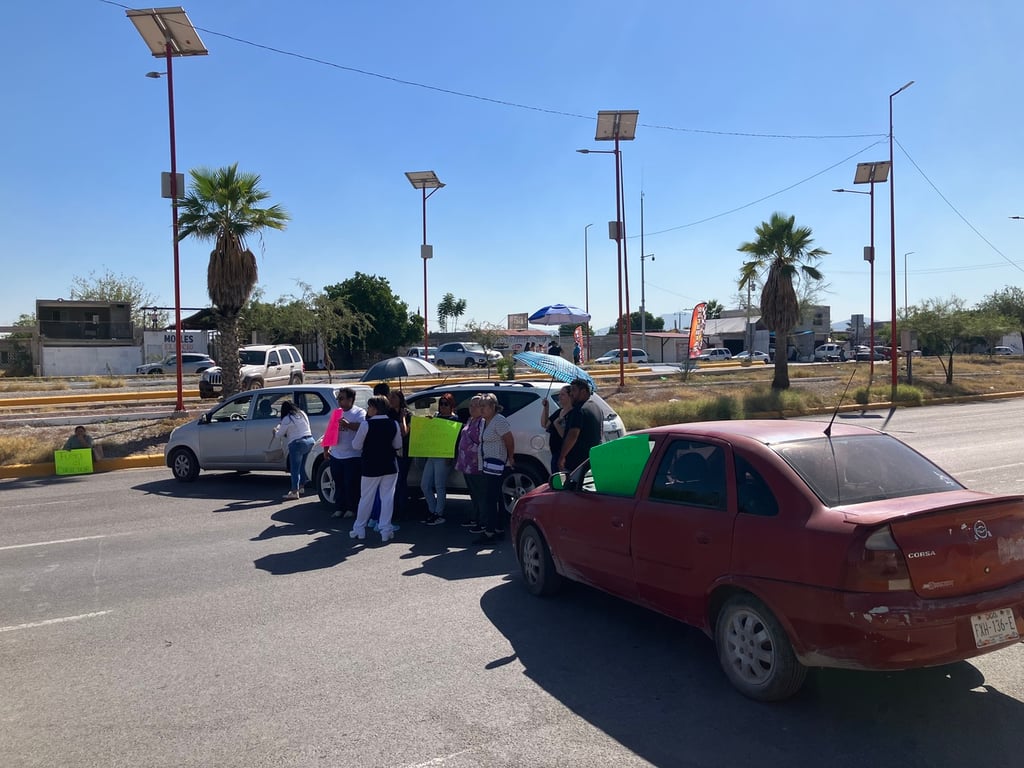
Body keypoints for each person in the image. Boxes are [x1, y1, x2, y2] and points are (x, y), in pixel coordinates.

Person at [350, 395, 403, 543]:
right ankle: (385, 529)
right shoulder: (394, 423)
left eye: (370, 407)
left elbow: (356, 445)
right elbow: (397, 444)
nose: (368, 410)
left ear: (375, 409)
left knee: (366, 498)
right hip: (390, 465)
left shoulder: (366, 425)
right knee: (387, 498)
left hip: (371, 465)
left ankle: (359, 528)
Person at [474, 393, 515, 546]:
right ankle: (498, 529)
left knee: (490, 499)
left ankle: (489, 532)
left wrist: (511, 458)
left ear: (493, 407)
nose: (481, 409)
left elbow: (509, 440)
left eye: (484, 406)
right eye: (480, 406)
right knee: (496, 497)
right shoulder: (485, 421)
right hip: (488, 464)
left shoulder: (499, 420)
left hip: (496, 465)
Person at [321, 387, 366, 519]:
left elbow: (363, 427)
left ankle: (352, 509)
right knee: (338, 483)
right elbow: (329, 431)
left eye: (341, 398)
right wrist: (326, 449)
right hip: (336, 454)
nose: (339, 401)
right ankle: (340, 508)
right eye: (338, 398)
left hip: (352, 455)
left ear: (350, 400)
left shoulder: (359, 412)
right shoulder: (336, 413)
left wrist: (348, 425)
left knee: (351, 483)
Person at [421, 393, 459, 525]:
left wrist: (451, 456)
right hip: (432, 454)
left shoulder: (455, 420)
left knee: (439, 485)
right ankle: (432, 510)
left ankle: (439, 513)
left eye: (446, 404)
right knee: (425, 484)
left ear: (451, 406)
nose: (443, 406)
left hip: (444, 456)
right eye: (441, 404)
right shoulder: (436, 417)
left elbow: (455, 440)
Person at [454, 395, 487, 529]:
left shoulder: (482, 422)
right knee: (473, 493)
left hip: (476, 464)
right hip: (466, 464)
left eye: (476, 405)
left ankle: (483, 521)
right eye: (471, 405)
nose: (472, 408)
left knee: (480, 494)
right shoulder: (470, 420)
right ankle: (476, 517)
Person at [558, 377, 603, 473]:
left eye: (574, 390)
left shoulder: (579, 410)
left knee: (572, 487)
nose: (571, 393)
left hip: (577, 463)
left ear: (583, 391)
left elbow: (573, 435)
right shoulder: (596, 407)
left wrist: (562, 456)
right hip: (592, 460)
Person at [275, 400, 314, 500]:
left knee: (294, 468)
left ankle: (294, 492)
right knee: (302, 465)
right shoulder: (302, 413)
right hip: (309, 441)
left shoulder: (287, 419)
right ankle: (301, 487)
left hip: (297, 443)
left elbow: (279, 434)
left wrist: (275, 431)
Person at [388, 389, 412, 522]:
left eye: (394, 397)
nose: (391, 400)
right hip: (390, 451)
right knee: (392, 482)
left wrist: (402, 417)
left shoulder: (407, 414)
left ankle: (401, 510)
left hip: (404, 452)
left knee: (401, 480)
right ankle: (393, 509)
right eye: (389, 397)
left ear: (400, 399)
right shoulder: (387, 414)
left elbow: (404, 433)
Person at [540, 385, 571, 475]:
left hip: (563, 454)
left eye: (563, 394)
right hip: (554, 453)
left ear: (570, 396)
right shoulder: (559, 411)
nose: (559, 397)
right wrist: (546, 407)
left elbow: (566, 436)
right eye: (559, 394)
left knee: (562, 481)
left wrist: (557, 424)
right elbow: (545, 424)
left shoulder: (571, 414)